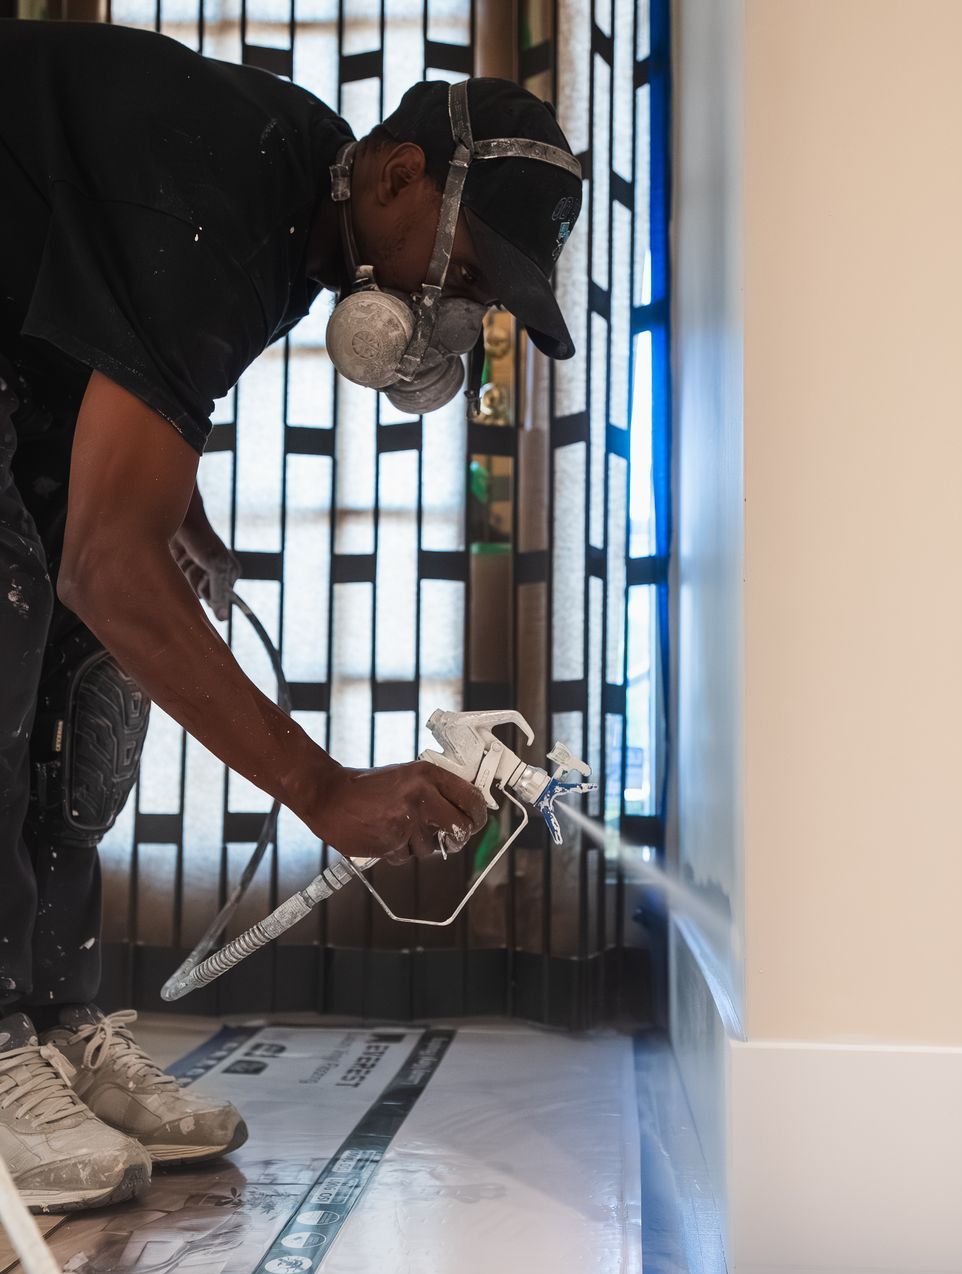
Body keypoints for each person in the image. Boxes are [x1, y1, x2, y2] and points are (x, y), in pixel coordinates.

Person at [0, 18, 582, 1211]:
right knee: (24, 606)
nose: (447, 313)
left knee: (86, 681)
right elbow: (106, 564)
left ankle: (48, 1020)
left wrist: (180, 507)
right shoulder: (228, 189)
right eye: (461, 272)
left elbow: (120, 344)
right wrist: (324, 788)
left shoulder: (295, 200)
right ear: (399, 174)